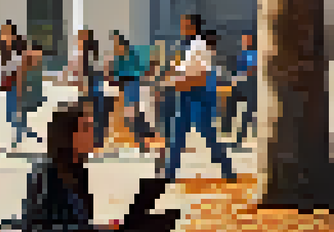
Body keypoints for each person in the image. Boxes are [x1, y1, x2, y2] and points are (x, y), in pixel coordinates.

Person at [20, 98, 181, 232]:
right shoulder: (48, 174)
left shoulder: (79, 171)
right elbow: (38, 231)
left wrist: (100, 229)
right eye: (85, 128)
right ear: (69, 135)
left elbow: (80, 221)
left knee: (155, 223)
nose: (93, 134)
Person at [162, 16, 236, 182]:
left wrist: (179, 81)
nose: (182, 28)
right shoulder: (187, 47)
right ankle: (170, 173)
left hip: (197, 95)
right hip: (186, 95)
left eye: (185, 25)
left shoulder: (200, 45)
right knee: (178, 134)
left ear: (192, 27)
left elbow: (202, 75)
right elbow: (186, 71)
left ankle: (227, 168)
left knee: (208, 134)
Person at [61, 29, 106, 152]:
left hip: (90, 91)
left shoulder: (88, 56)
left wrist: (81, 85)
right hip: (93, 91)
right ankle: (94, 141)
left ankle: (93, 141)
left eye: (80, 38)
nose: (78, 40)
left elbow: (87, 75)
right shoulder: (91, 56)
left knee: (89, 118)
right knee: (92, 118)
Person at [106, 33, 149, 149]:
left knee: (132, 112)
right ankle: (140, 137)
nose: (115, 46)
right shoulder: (119, 56)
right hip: (125, 86)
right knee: (130, 113)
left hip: (131, 84)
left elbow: (138, 69)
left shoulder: (131, 54)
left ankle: (140, 139)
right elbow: (115, 72)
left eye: (116, 43)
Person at [0, 22, 28, 147]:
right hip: (7, 83)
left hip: (17, 82)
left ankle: (18, 136)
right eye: (3, 32)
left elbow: (21, 66)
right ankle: (19, 132)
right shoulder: (2, 49)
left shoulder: (18, 48)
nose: (3, 34)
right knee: (10, 112)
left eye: (6, 31)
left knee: (15, 111)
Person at [226, 32, 257, 148]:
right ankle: (227, 125)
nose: (245, 43)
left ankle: (239, 137)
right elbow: (237, 71)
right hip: (240, 85)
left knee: (247, 113)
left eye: (247, 40)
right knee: (230, 101)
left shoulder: (255, 55)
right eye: (244, 40)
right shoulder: (241, 55)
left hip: (251, 86)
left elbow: (254, 70)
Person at [15, 43, 47, 149]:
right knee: (22, 121)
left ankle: (28, 139)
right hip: (26, 99)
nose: (37, 58)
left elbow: (39, 85)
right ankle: (19, 141)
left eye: (39, 56)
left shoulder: (38, 69)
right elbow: (20, 84)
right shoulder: (24, 68)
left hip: (35, 99)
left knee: (28, 121)